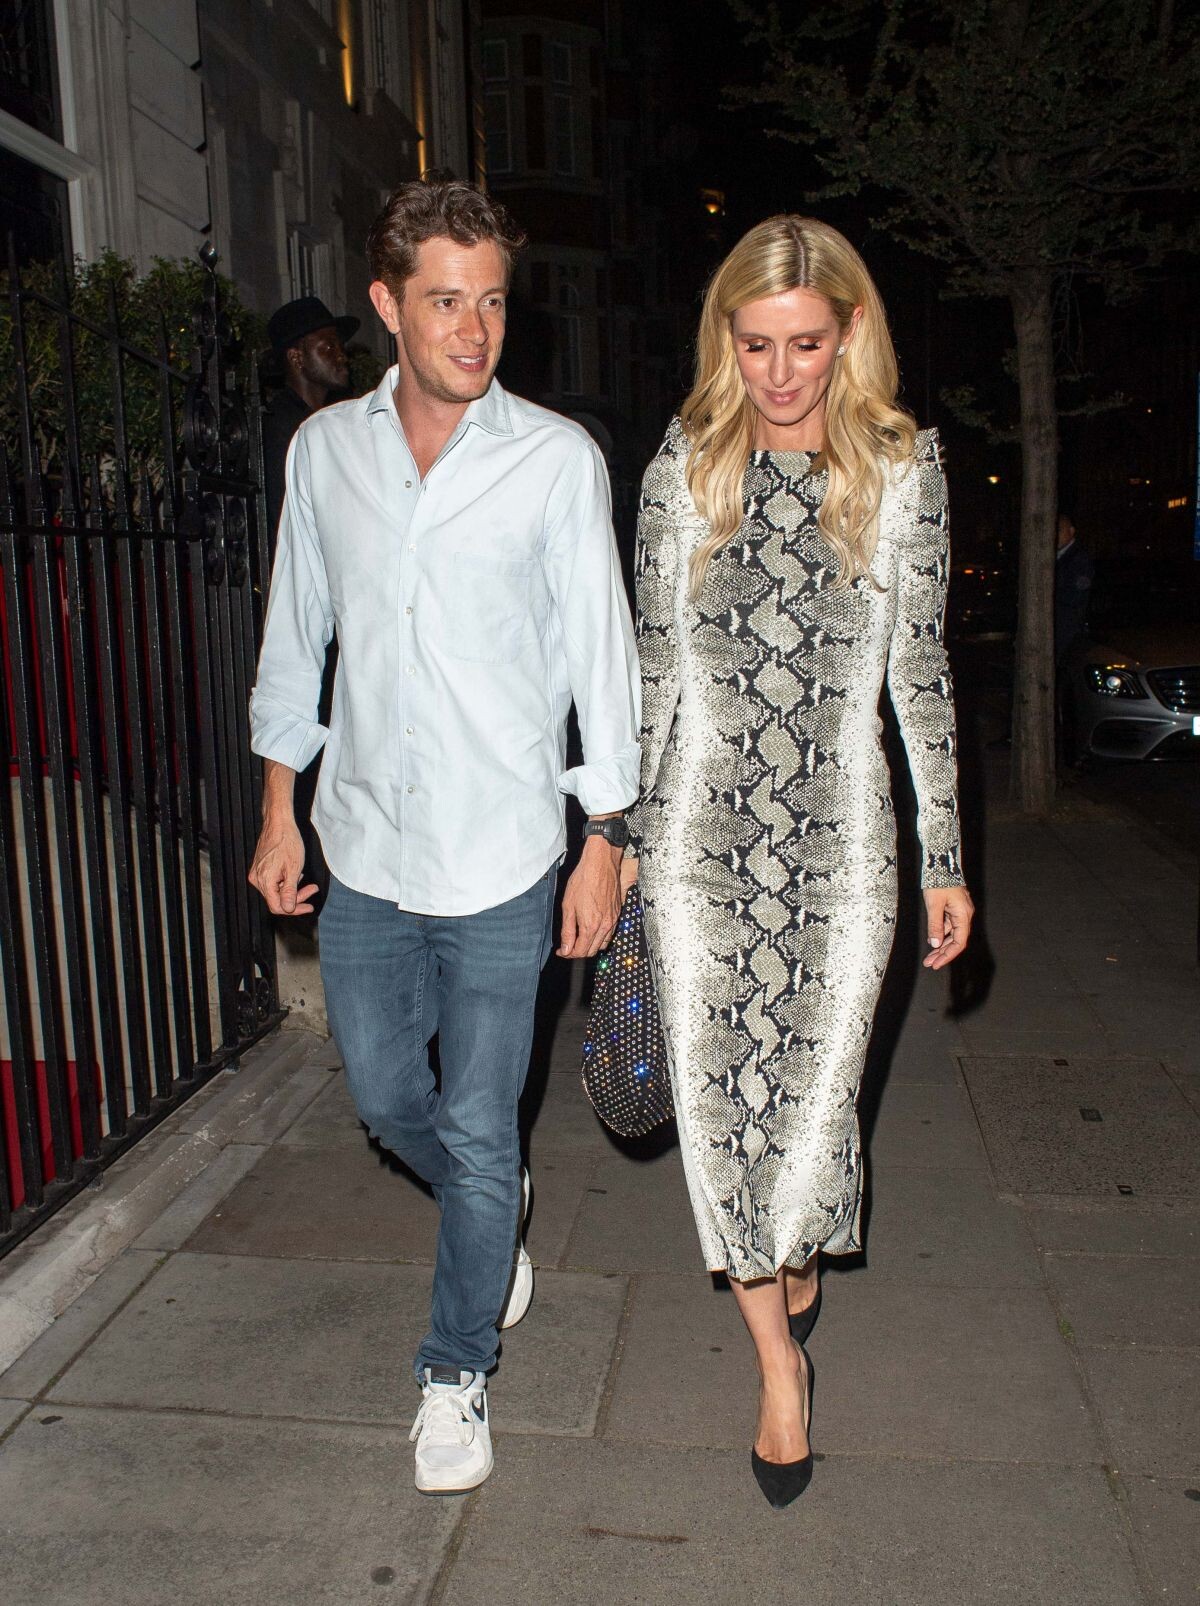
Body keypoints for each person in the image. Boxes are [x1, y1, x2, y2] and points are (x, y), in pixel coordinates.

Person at [247, 180, 640, 1494]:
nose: (476, 330)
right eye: (446, 302)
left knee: (477, 1119)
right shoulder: (325, 456)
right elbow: (296, 638)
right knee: (386, 1100)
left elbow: (601, 659)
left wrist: (606, 835)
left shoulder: (557, 460)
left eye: (494, 303)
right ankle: (492, 1206)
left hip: (503, 854)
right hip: (364, 843)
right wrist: (278, 810)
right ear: (386, 305)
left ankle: (454, 1369)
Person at [621, 215, 974, 1508]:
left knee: (817, 1107)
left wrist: (945, 855)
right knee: (725, 1117)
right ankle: (779, 1362)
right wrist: (620, 841)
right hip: (701, 843)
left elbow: (920, 672)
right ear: (726, 337)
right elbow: (652, 673)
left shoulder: (901, 469)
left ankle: (797, 1245)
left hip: (844, 838)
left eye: (806, 344)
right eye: (757, 343)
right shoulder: (685, 464)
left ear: (851, 332)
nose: (779, 374)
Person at [261, 296, 358, 540]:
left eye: (341, 347)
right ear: (297, 358)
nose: (341, 356)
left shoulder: (330, 421)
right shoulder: (281, 425)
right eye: (328, 348)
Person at [1054, 511, 1094, 667]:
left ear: (1071, 531)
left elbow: (1076, 595)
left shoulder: (1078, 558)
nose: (1056, 535)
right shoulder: (1059, 556)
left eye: (1059, 530)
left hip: (1069, 627)